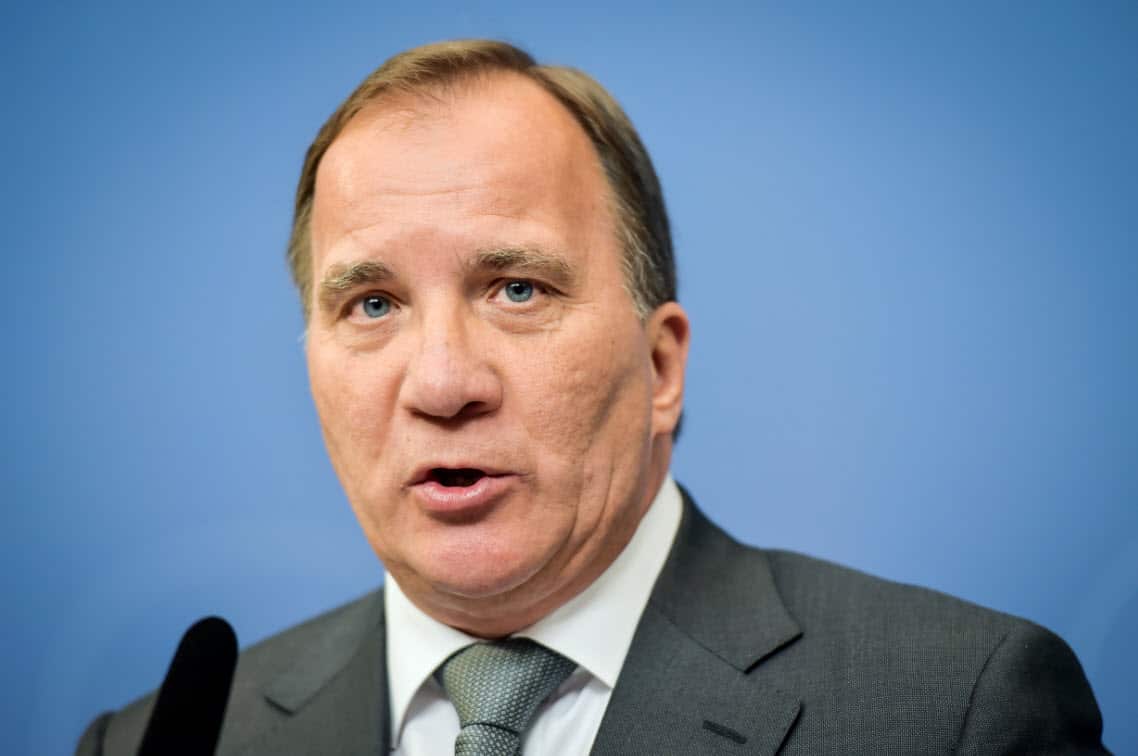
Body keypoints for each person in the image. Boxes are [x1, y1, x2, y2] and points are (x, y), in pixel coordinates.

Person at [77, 39, 1107, 755]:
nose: (441, 383)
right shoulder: (165, 740)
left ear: (661, 368)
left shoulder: (955, 714)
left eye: (516, 289)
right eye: (373, 302)